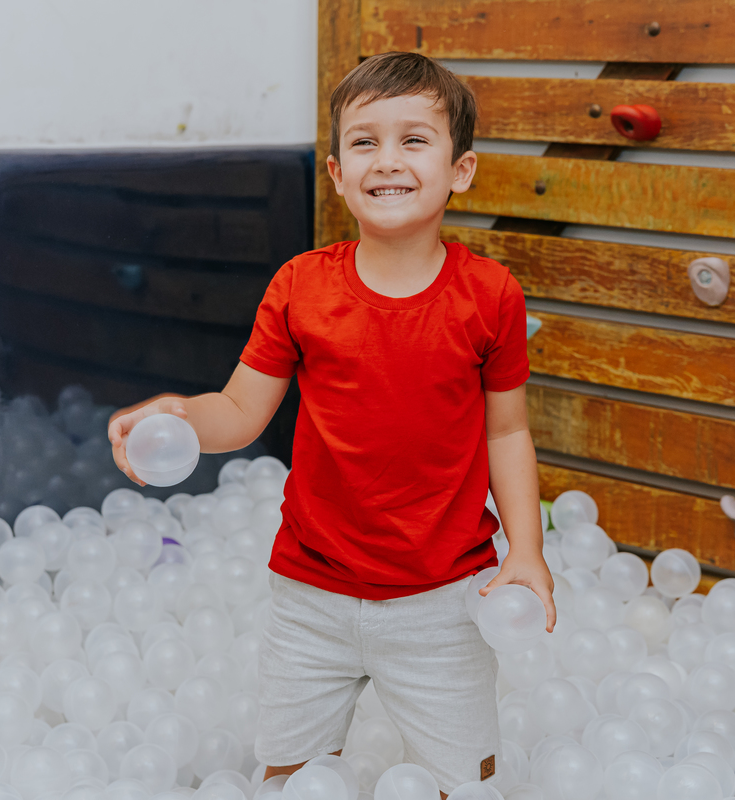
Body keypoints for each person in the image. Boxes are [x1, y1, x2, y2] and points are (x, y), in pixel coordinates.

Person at [109, 51, 554, 794]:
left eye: (415, 140)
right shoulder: (301, 287)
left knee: (464, 781)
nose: (389, 159)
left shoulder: (489, 296)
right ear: (337, 172)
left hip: (443, 597)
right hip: (312, 593)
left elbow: (505, 432)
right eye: (365, 141)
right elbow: (241, 411)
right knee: (288, 774)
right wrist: (180, 413)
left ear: (461, 170)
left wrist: (527, 552)